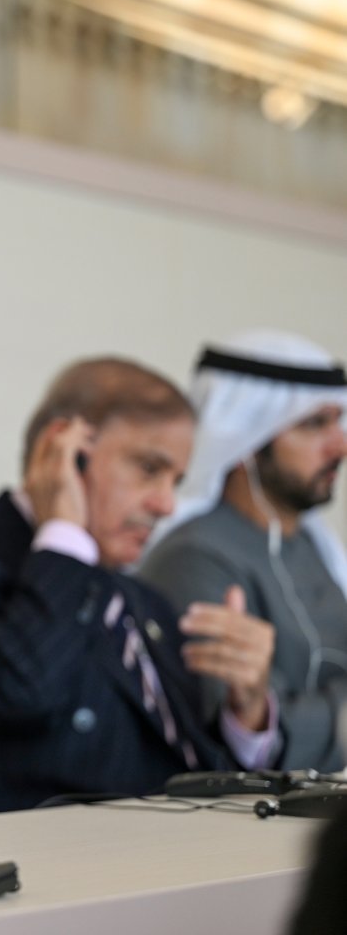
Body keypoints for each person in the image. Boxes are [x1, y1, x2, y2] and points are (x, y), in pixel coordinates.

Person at [0, 358, 280, 821]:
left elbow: (182, 762)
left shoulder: (144, 600)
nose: (167, 504)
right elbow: (19, 689)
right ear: (65, 451)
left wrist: (247, 717)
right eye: (149, 468)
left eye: (175, 481)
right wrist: (64, 535)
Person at [139, 330, 347, 771]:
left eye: (338, 421)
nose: (340, 445)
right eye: (314, 425)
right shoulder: (195, 556)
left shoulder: (314, 545)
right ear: (247, 439)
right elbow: (245, 731)